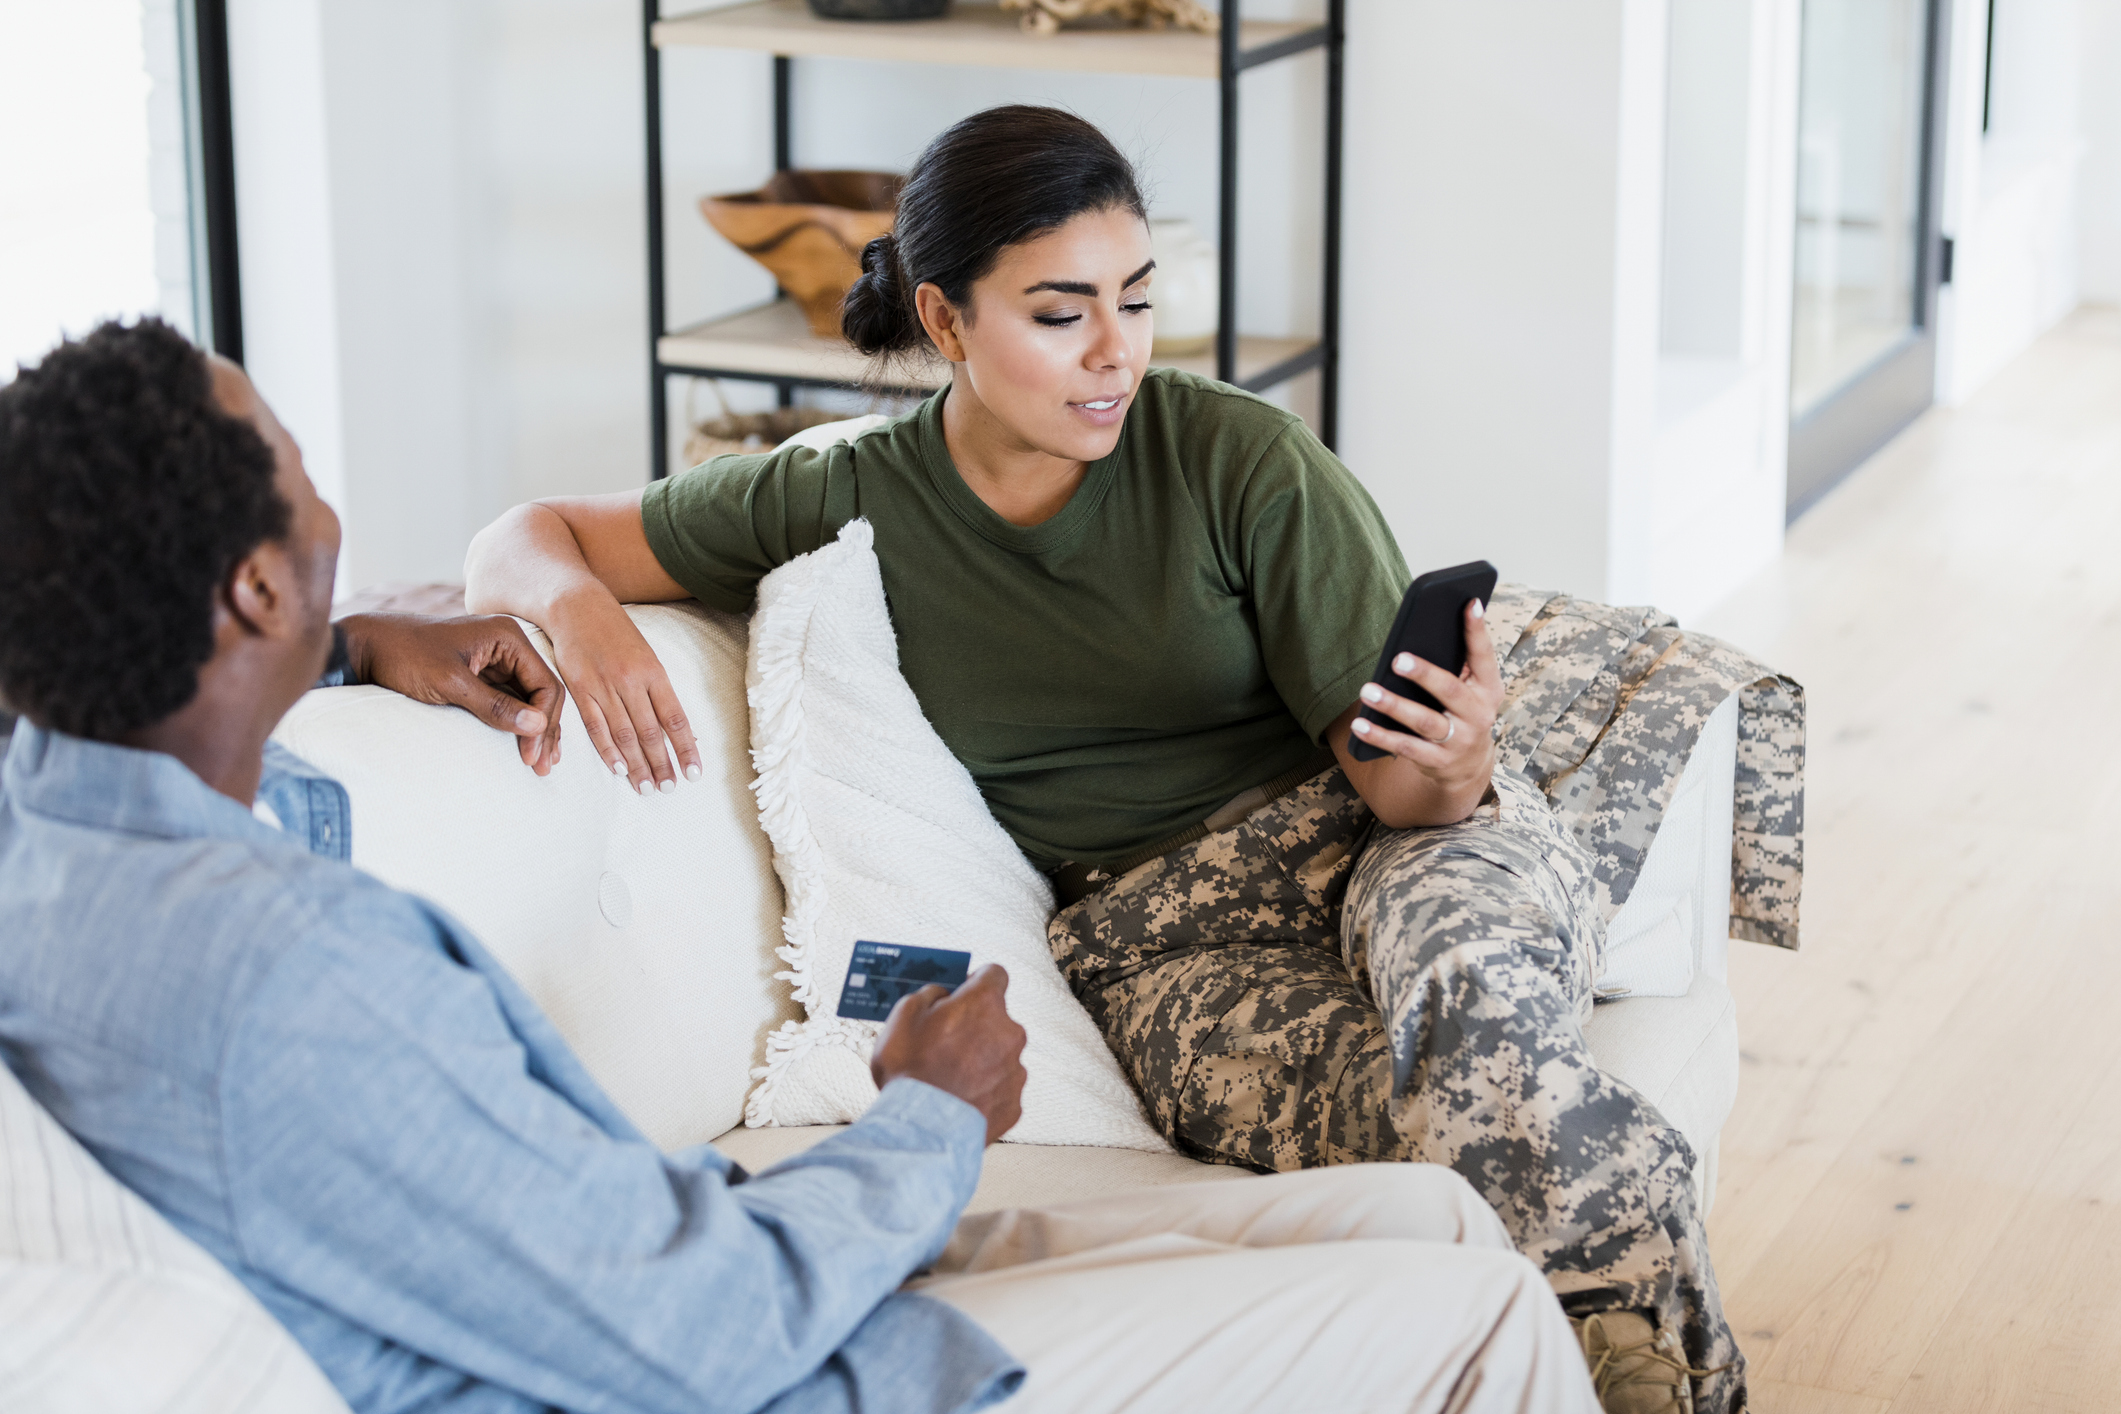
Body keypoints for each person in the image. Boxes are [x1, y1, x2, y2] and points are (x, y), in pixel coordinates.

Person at [0, 320, 1599, 1411]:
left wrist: (348, 643)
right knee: (1489, 1309)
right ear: (247, 588)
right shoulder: (288, 981)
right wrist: (928, 1115)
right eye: (297, 463)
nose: (332, 493)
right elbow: (698, 1328)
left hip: (701, 1241)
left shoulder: (54, 820)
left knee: (1434, 1217)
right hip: (758, 1353)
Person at [463, 105, 1743, 1413]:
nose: (1113, 352)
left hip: (1390, 839)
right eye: (1060, 311)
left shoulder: (1234, 454)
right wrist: (575, 612)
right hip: (1160, 940)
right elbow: (529, 529)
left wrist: (1458, 761)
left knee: (1484, 1051)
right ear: (946, 319)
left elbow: (1399, 791)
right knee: (1483, 1136)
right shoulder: (848, 493)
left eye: (1133, 301)